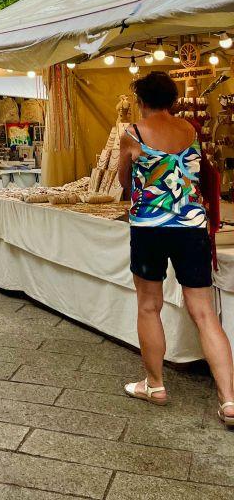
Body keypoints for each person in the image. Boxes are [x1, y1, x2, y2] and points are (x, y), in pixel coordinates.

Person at [119, 71, 234, 424]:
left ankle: (155, 385)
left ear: (140, 100)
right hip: (191, 227)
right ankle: (229, 400)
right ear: (172, 100)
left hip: (149, 228)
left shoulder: (132, 134)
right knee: (203, 312)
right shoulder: (190, 131)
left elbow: (125, 181)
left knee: (149, 306)